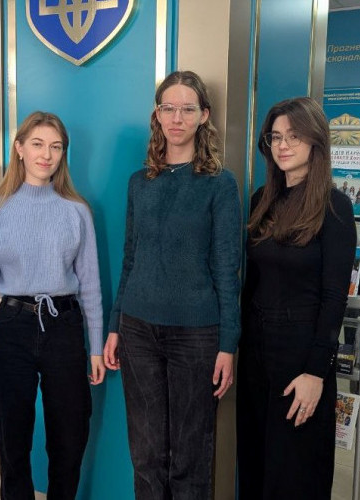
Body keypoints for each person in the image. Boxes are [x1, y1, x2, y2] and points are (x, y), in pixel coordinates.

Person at [103, 70, 241, 499]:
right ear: (157, 115)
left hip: (196, 336)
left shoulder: (220, 184)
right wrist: (115, 324)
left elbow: (227, 268)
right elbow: (130, 258)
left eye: (187, 109)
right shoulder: (139, 182)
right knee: (146, 456)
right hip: (137, 329)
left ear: (204, 116)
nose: (177, 118)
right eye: (169, 108)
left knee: (189, 458)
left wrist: (228, 344)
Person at [0, 111, 105, 500]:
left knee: (70, 439)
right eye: (38, 144)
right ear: (19, 149)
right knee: (11, 441)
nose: (47, 155)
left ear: (63, 154)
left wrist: (96, 346)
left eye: (56, 147)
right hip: (11, 327)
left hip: (64, 327)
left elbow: (91, 285)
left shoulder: (77, 211)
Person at [236, 97, 356, 500]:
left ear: (315, 141)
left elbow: (334, 298)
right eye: (275, 137)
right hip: (256, 352)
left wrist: (316, 373)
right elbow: (252, 283)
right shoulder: (262, 200)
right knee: (255, 463)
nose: (283, 145)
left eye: (293, 136)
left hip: (301, 356)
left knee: (295, 471)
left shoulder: (334, 207)